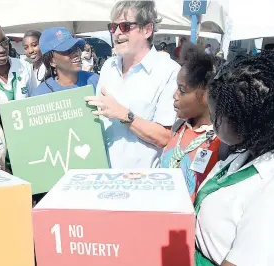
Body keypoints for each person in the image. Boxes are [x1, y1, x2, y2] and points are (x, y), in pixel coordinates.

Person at [195, 52, 274, 266]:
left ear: (242, 120)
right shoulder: (243, 153)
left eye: (215, 117)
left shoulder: (268, 188)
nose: (212, 124)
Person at [85, 1, 181, 169]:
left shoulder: (169, 71)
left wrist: (123, 115)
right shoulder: (108, 66)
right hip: (102, 176)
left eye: (125, 26)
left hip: (143, 183)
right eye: (113, 27)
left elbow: (165, 137)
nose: (116, 33)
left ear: (147, 29)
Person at [160, 44, 221, 202]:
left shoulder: (219, 143)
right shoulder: (179, 127)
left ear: (206, 94)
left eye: (182, 90)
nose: (175, 95)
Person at [29, 27, 100, 97]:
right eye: (67, 50)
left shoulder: (96, 81)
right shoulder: (40, 95)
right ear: (51, 61)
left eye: (76, 48)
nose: (76, 53)